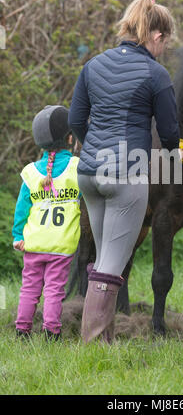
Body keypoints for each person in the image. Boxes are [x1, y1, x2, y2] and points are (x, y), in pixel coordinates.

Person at [69, 0, 181, 344]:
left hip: (88, 174)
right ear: (157, 36)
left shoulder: (93, 65)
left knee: (104, 256)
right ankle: (95, 345)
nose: (164, 48)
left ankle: (103, 336)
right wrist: (176, 159)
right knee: (111, 263)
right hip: (125, 176)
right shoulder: (156, 73)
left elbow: (75, 120)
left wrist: (97, 150)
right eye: (166, 41)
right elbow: (169, 133)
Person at [13, 105, 81, 340]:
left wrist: (18, 236)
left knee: (29, 289)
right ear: (70, 138)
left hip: (34, 244)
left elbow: (21, 209)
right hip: (61, 247)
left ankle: (22, 330)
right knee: (54, 290)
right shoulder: (76, 168)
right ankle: (51, 332)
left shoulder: (30, 172)